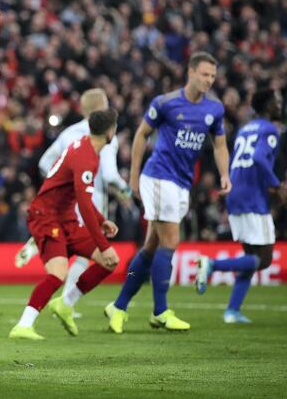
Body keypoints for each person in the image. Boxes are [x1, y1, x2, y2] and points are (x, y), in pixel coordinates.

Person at [106, 52, 231, 333]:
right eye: (204, 74)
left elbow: (220, 146)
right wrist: (134, 177)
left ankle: (119, 306)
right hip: (160, 177)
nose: (209, 80)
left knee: (152, 246)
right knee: (171, 240)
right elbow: (141, 135)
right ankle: (161, 311)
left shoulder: (215, 109)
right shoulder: (166, 103)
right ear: (190, 72)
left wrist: (225, 174)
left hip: (182, 182)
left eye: (213, 76)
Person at [15, 89, 130, 319]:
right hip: (89, 200)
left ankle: (44, 242)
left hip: (62, 204)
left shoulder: (70, 132)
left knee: (71, 251)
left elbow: (45, 161)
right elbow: (109, 175)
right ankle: (67, 302)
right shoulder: (103, 138)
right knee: (88, 253)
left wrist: (59, 184)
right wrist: (127, 191)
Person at [195, 88, 286, 323]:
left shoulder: (246, 128)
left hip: (236, 193)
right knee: (264, 259)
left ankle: (232, 310)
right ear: (266, 106)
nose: (279, 104)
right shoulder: (269, 129)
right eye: (275, 101)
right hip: (253, 199)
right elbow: (257, 158)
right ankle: (212, 264)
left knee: (250, 254)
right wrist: (276, 185)